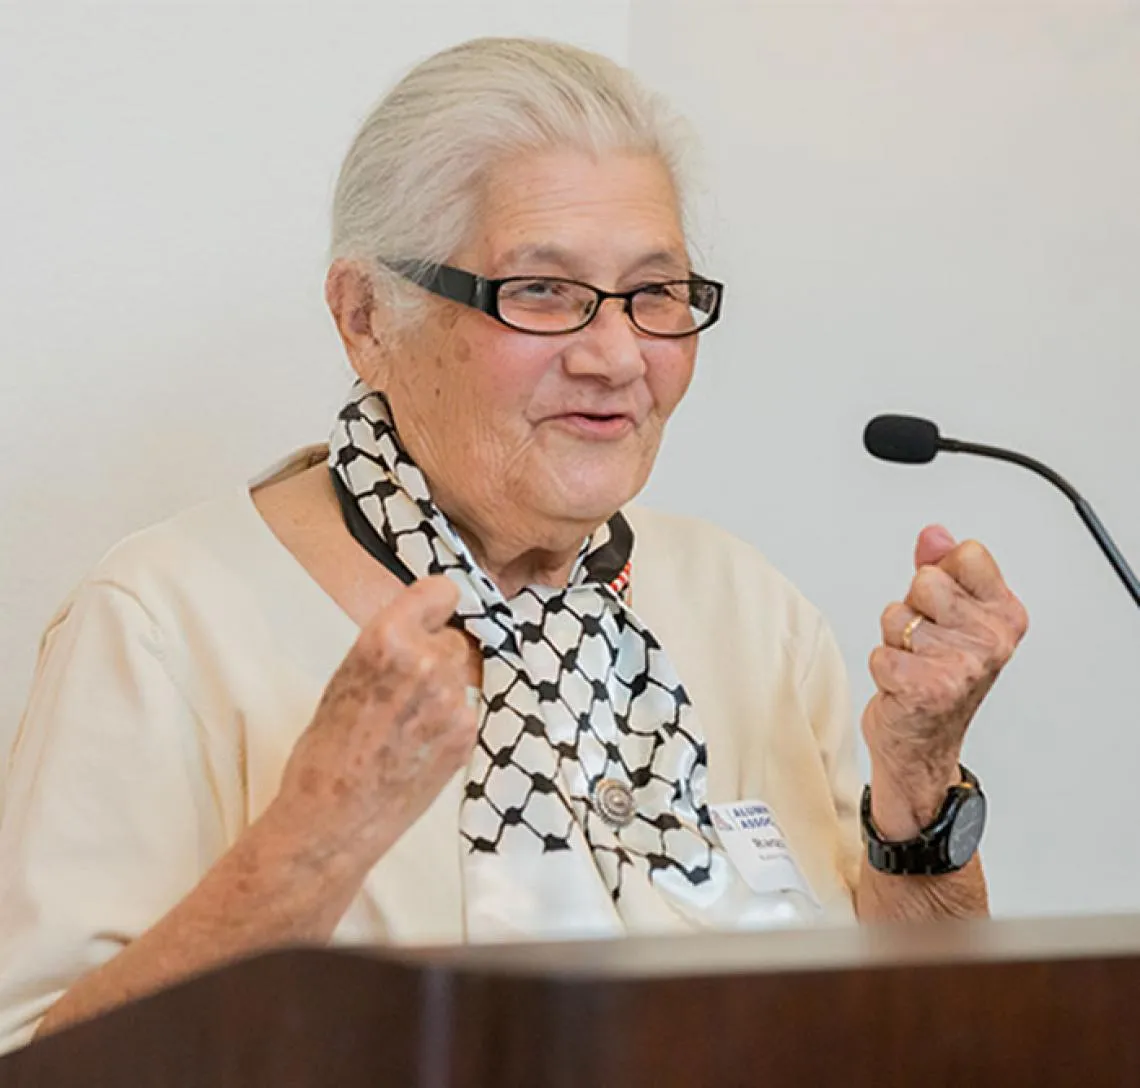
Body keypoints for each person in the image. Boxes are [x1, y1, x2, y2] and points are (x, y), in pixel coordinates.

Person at [0, 37, 1028, 1053]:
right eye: (541, 291)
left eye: (655, 294)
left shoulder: (745, 607)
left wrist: (918, 789)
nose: (619, 355)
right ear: (365, 317)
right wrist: (320, 832)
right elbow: (40, 1063)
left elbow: (923, 1044)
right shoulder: (165, 621)